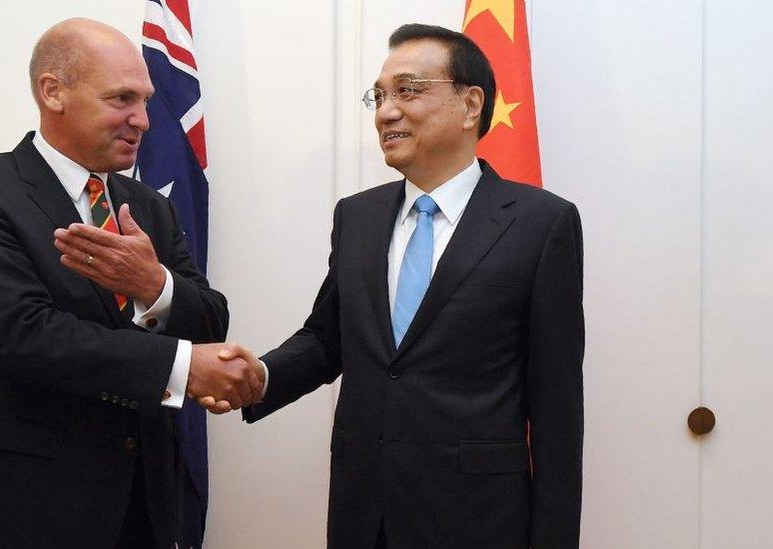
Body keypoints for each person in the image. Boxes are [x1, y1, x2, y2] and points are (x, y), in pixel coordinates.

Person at [200, 23, 584, 548]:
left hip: (480, 520)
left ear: (471, 105)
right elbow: (327, 338)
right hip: (365, 514)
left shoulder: (541, 224)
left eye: (408, 91)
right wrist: (261, 376)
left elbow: (558, 410)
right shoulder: (357, 217)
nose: (385, 111)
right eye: (379, 96)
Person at [0, 18, 263, 548]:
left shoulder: (151, 205)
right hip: (24, 505)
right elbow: (23, 334)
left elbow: (209, 319)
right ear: (53, 92)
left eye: (147, 101)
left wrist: (154, 285)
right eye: (122, 99)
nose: (144, 120)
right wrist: (179, 368)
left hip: (144, 504)